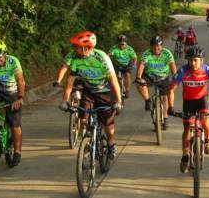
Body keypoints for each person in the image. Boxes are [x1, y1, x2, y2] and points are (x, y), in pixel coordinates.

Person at [59, 30, 122, 159]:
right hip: (89, 91)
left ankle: (111, 144)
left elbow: (114, 80)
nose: (74, 49)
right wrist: (64, 100)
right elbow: (69, 82)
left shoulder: (102, 58)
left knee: (108, 124)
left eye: (77, 47)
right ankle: (89, 138)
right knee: (83, 117)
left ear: (85, 48)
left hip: (105, 92)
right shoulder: (76, 59)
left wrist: (118, 101)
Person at [167, 46, 209, 173]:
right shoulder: (183, 71)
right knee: (187, 128)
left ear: (201, 60)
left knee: (205, 122)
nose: (192, 63)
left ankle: (208, 141)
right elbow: (171, 89)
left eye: (195, 60)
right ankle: (185, 156)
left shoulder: (208, 71)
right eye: (190, 60)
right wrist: (170, 107)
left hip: (202, 100)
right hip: (188, 102)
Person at [135, 36, 177, 130]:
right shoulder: (147, 53)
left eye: (158, 46)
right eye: (154, 46)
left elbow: (172, 66)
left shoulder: (167, 53)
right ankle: (147, 101)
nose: (156, 48)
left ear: (162, 46)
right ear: (151, 47)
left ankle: (165, 118)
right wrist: (138, 77)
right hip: (149, 76)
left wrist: (175, 76)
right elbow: (141, 65)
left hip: (163, 77)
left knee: (165, 98)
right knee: (140, 84)